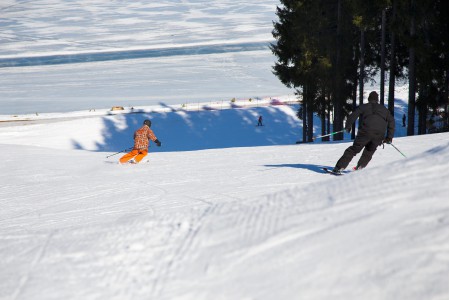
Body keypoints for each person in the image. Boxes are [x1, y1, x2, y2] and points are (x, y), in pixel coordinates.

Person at [332, 91, 395, 174]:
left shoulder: (364, 107)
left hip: (365, 132)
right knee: (369, 151)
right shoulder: (385, 110)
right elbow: (391, 122)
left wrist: (348, 126)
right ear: (377, 100)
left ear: (369, 99)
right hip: (379, 135)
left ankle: (339, 168)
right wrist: (389, 137)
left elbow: (353, 115)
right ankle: (360, 168)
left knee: (353, 150)